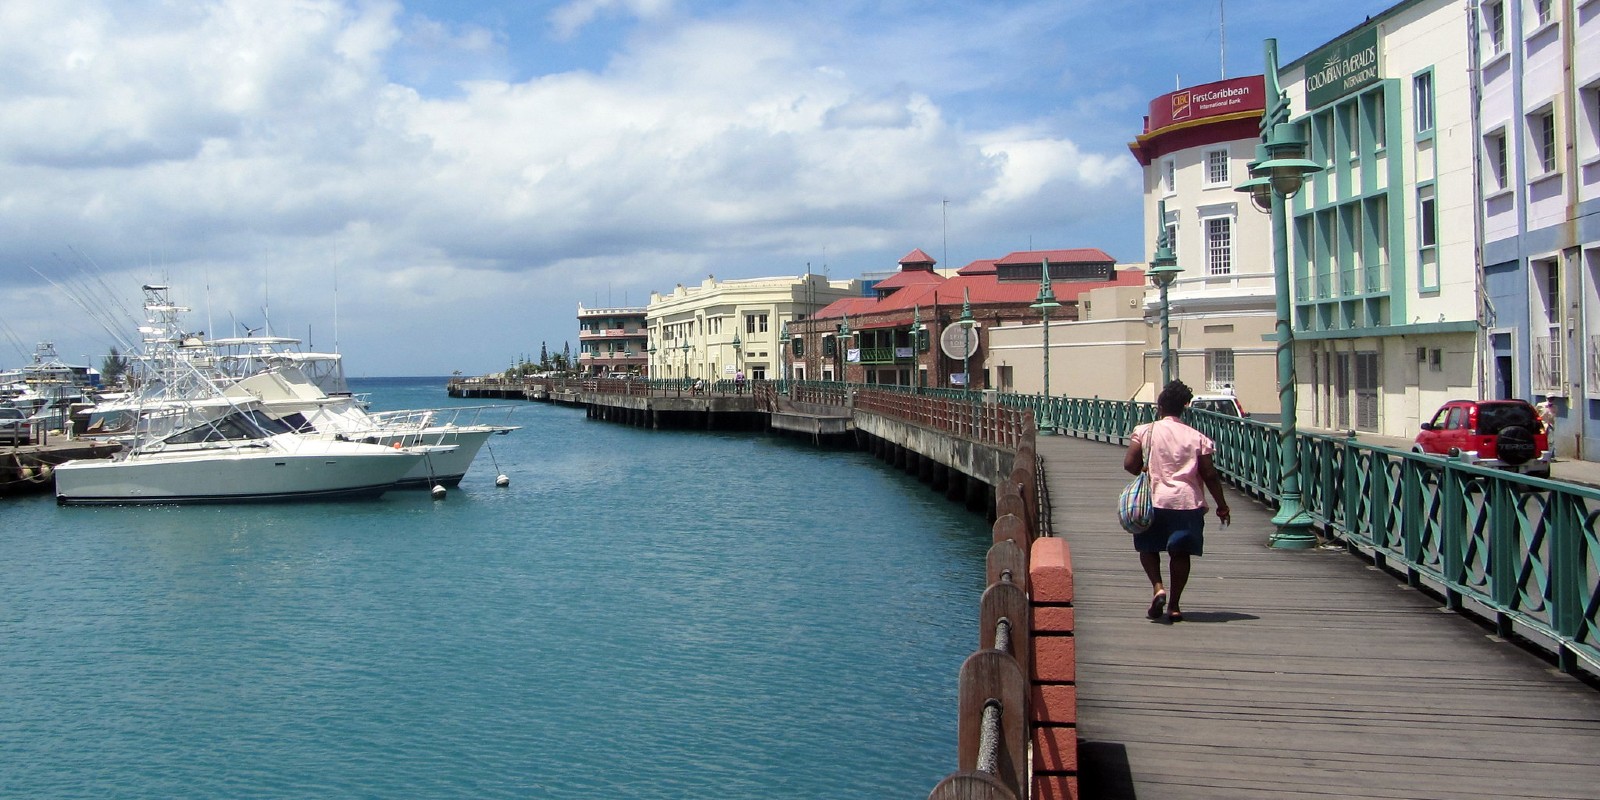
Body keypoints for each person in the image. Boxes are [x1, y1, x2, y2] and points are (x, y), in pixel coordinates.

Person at [1123, 380, 1231, 623]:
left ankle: (1158, 587)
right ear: (1184, 408)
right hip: (1187, 503)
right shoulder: (1197, 438)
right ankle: (1174, 605)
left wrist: (1147, 471)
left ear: (1159, 407)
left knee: (1148, 547)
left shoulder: (1144, 430)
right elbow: (1210, 474)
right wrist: (1221, 505)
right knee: (1181, 554)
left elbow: (1129, 464)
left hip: (1154, 500)